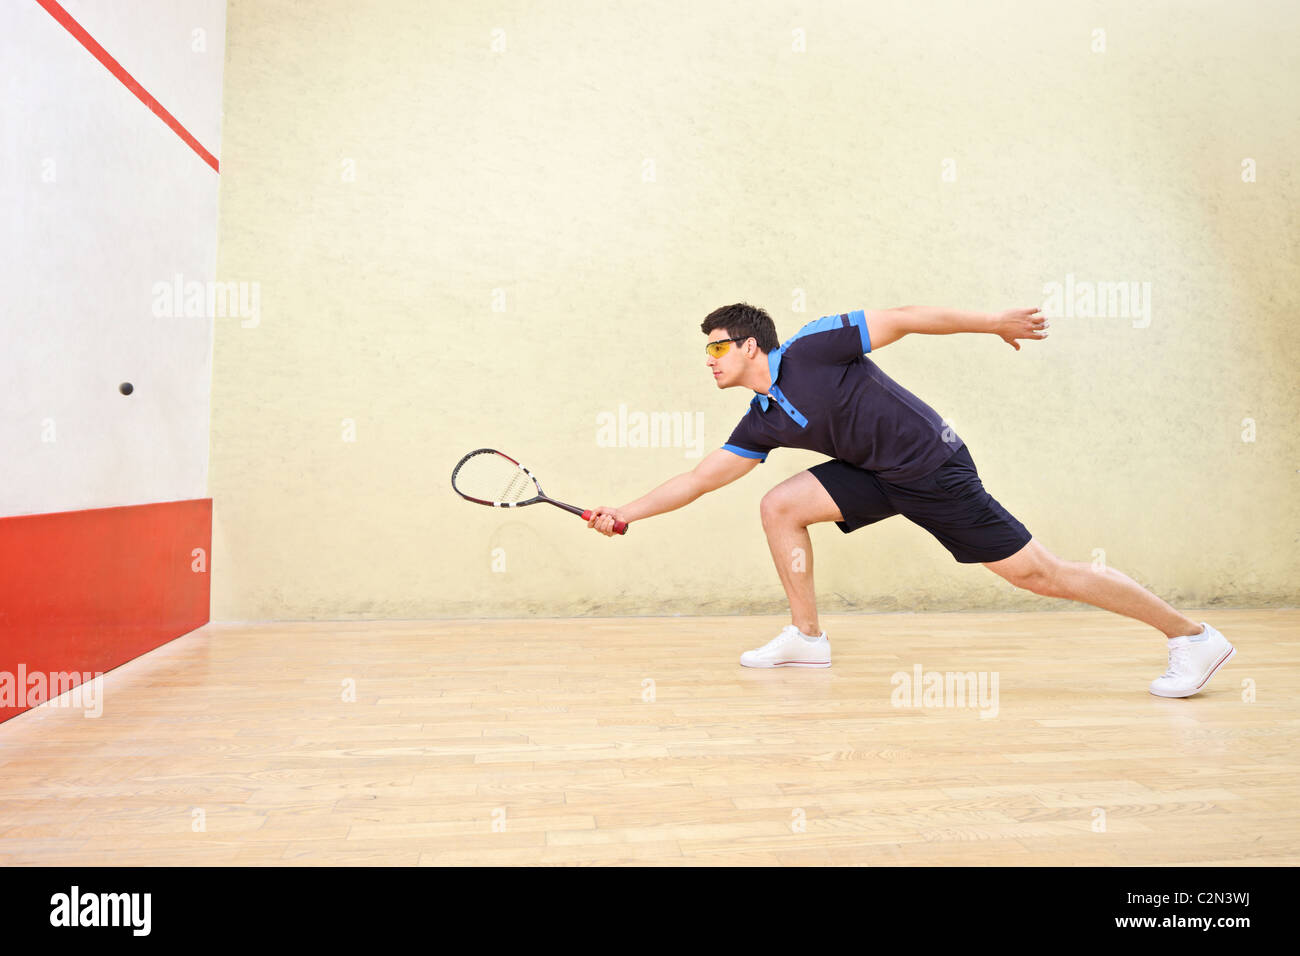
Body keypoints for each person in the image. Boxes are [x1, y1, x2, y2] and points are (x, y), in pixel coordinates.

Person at [586, 303, 1235, 697]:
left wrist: (991, 323)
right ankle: (807, 637)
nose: (710, 359)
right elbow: (701, 478)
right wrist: (625, 513)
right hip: (877, 475)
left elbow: (902, 319)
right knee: (779, 505)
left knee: (1042, 575)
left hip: (934, 468)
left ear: (751, 344)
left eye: (717, 346)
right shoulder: (761, 419)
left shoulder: (814, 346)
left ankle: (1193, 636)